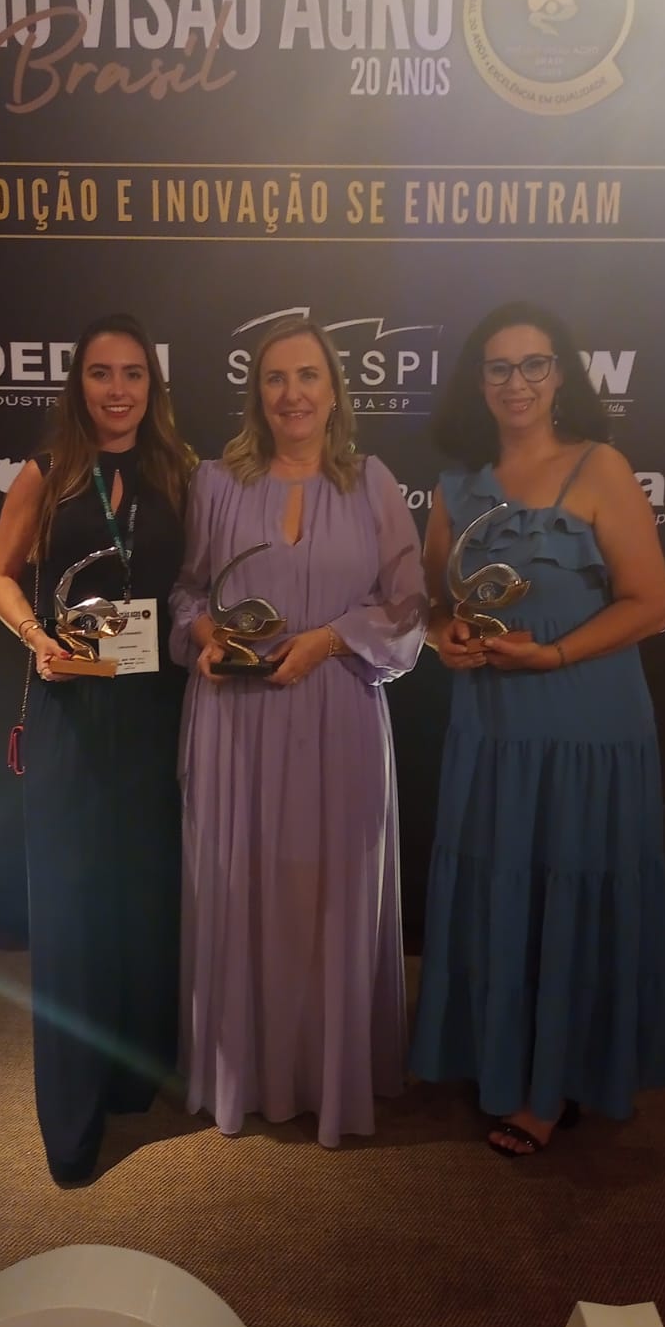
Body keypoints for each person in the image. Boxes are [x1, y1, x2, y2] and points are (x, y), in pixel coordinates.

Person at [409, 300, 665, 1157]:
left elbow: (654, 605)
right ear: (478, 382)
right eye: (499, 367)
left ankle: (552, 1087)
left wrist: (556, 655)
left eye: (533, 364)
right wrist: (446, 637)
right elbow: (433, 604)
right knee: (503, 893)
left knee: (570, 891)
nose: (517, 382)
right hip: (492, 731)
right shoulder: (454, 488)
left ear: (561, 373)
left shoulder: (602, 467)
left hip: (587, 728)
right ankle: (499, 1057)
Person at [170, 318, 428, 1148]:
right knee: (240, 889)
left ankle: (328, 1076)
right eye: (276, 378)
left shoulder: (373, 483)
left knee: (328, 896)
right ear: (257, 393)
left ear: (334, 389)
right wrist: (205, 634)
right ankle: (245, 1073)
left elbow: (409, 608)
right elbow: (187, 592)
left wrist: (327, 640)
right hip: (235, 725)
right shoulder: (215, 483)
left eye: (308, 375)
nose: (292, 394)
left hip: (337, 714)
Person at [0, 312, 196, 1186]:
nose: (118, 390)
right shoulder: (48, 473)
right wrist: (36, 637)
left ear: (153, 386)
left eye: (133, 374)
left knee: (143, 901)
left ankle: (131, 1083)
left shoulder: (179, 473)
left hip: (155, 710)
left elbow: (194, 586)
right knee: (72, 914)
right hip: (70, 708)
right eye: (102, 373)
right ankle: (71, 1125)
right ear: (78, 384)